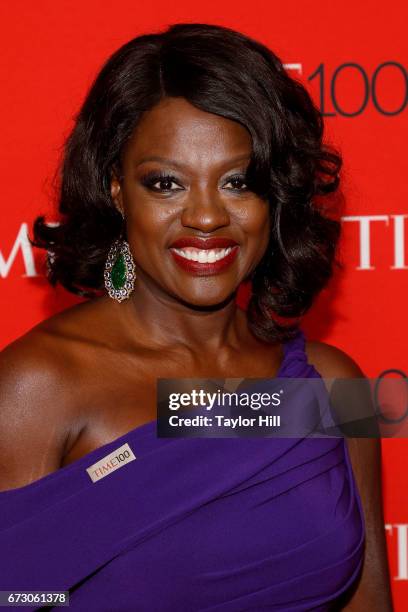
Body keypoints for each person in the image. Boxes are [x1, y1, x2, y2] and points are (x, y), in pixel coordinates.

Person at [0, 22, 392, 611]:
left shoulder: (330, 387)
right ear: (116, 190)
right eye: (166, 183)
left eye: (238, 181)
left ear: (275, 196)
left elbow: (368, 600)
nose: (206, 216)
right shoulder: (39, 386)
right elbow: (15, 593)